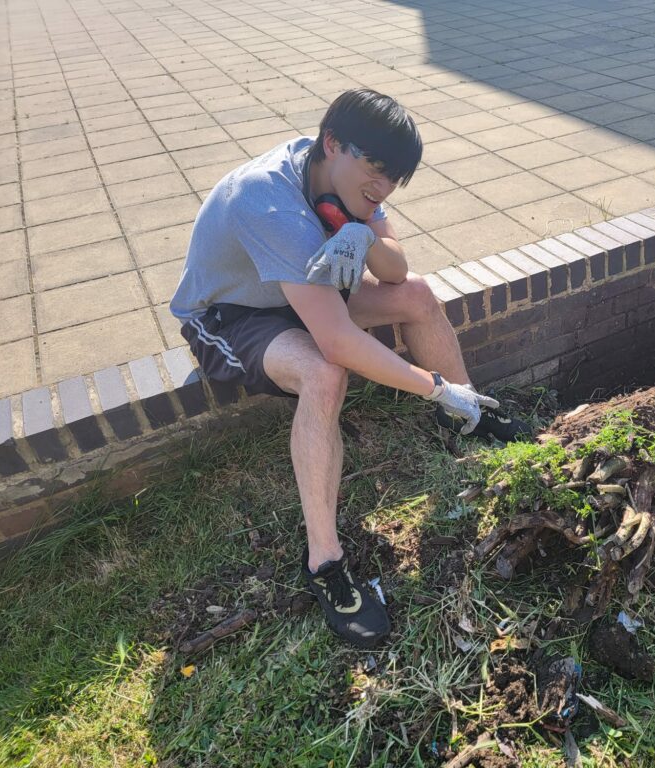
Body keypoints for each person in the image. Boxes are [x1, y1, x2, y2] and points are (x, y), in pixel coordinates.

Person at [170, 88, 528, 648]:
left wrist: (361, 233)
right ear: (332, 142)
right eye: (377, 170)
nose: (383, 188)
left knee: (417, 294)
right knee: (323, 373)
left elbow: (397, 268)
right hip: (234, 311)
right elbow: (336, 341)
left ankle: (470, 411)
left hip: (298, 286)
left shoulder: (348, 183)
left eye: (395, 179)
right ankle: (325, 563)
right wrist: (431, 388)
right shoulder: (267, 201)